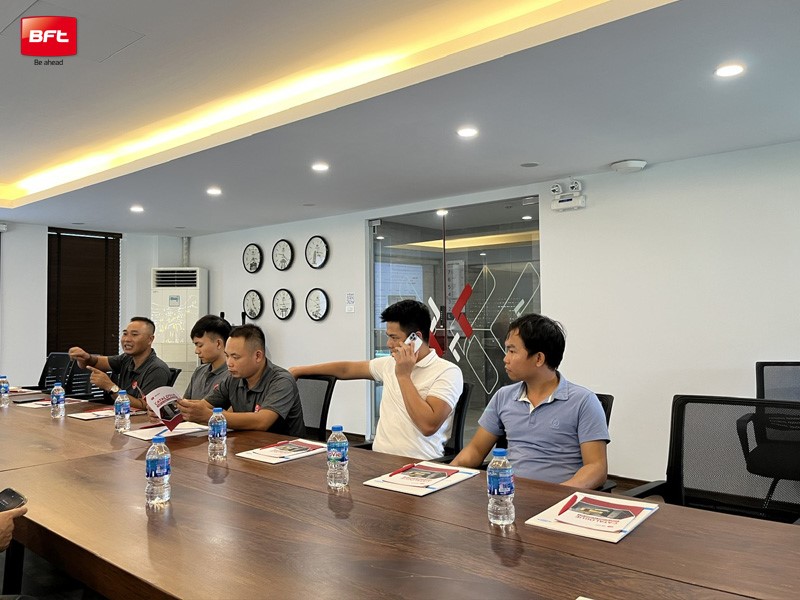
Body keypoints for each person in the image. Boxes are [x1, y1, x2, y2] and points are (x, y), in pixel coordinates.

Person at [290, 299, 463, 460]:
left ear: (416, 338)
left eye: (394, 337)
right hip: (379, 461)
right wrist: (298, 370)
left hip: (419, 465)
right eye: (388, 336)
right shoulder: (389, 364)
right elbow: (346, 369)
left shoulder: (447, 372)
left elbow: (428, 426)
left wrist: (403, 376)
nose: (388, 344)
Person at [451, 313, 609, 488]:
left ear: (539, 358)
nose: (505, 358)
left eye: (512, 351)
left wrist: (558, 495)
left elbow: (596, 468)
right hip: (506, 493)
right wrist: (446, 475)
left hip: (556, 496)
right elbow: (475, 450)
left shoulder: (583, 402)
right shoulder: (503, 396)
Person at [178, 324, 305, 435]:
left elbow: (262, 421)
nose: (229, 363)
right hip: (247, 445)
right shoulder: (232, 379)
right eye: (227, 356)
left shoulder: (282, 380)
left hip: (284, 449)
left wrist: (209, 416)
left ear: (258, 356)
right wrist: (179, 408)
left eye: (235, 357)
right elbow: (204, 405)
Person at [68, 317, 171, 409]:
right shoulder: (126, 359)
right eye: (125, 334)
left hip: (138, 421)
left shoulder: (157, 369)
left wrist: (111, 387)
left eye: (134, 335)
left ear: (150, 339)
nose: (127, 339)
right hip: (120, 416)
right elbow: (96, 362)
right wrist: (85, 357)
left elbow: (145, 406)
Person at [183, 315, 231, 399]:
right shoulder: (199, 371)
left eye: (200, 345)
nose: (196, 351)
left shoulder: (233, 376)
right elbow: (185, 403)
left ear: (218, 344)